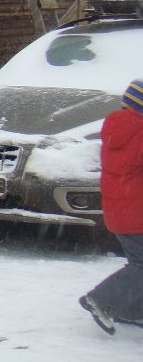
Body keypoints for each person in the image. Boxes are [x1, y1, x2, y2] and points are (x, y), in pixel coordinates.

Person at [79, 78, 143, 333]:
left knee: (138, 263)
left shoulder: (116, 128)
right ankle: (102, 300)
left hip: (119, 211)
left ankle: (131, 310)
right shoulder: (140, 133)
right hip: (137, 213)